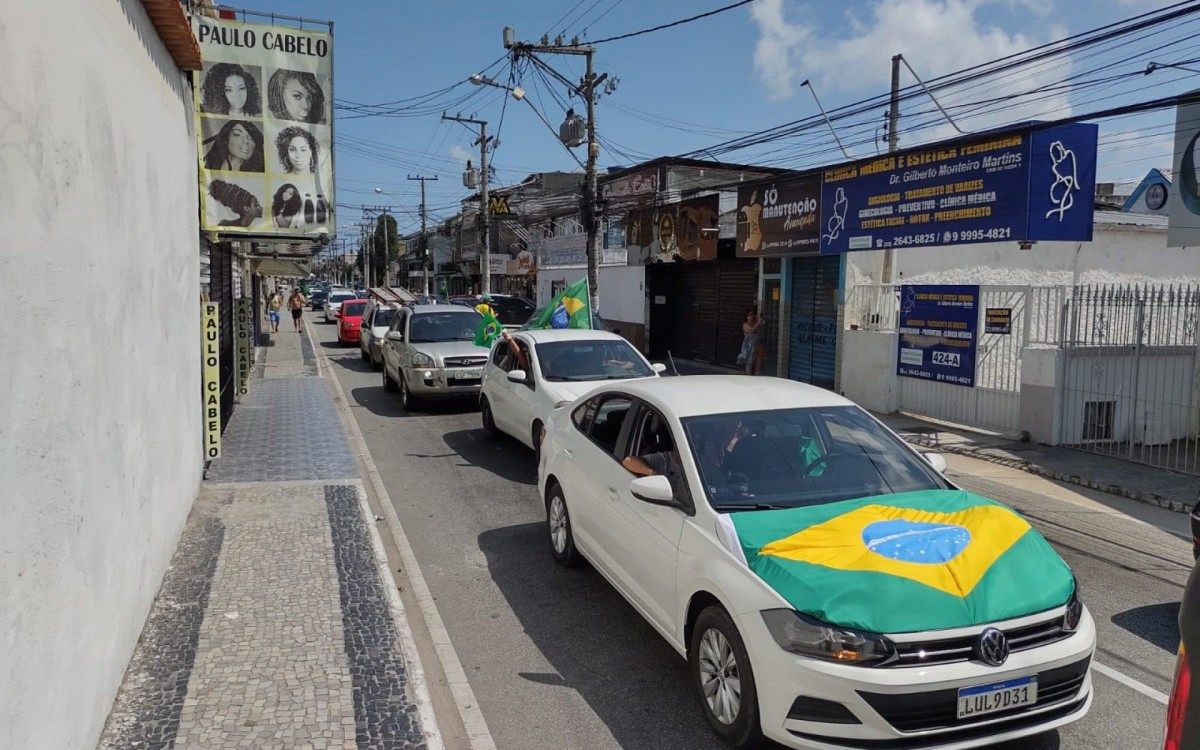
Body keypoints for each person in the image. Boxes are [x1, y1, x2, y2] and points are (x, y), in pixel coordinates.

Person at [738, 303, 766, 375]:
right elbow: (751, 330)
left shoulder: (757, 323)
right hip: (749, 347)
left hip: (758, 345)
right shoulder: (745, 325)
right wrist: (758, 322)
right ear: (746, 317)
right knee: (749, 363)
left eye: (752, 315)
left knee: (758, 364)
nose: (751, 317)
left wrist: (759, 319)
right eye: (749, 315)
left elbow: (763, 323)